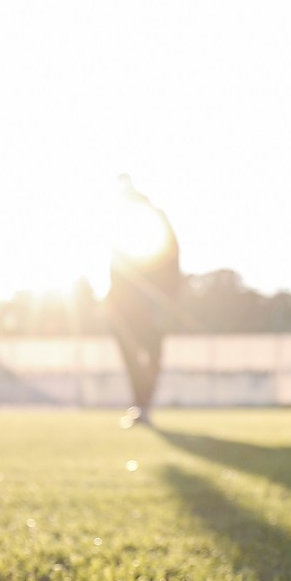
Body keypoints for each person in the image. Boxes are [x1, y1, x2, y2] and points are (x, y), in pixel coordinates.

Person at [106, 179, 180, 429]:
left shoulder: (157, 222)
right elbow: (115, 267)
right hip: (123, 306)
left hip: (151, 306)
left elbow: (172, 261)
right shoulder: (119, 226)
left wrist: (167, 302)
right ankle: (140, 404)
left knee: (152, 356)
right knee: (133, 357)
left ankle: (143, 404)